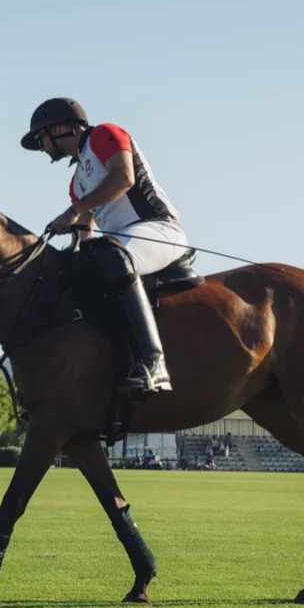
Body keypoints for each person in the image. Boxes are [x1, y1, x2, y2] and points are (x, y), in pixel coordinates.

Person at [22, 97, 188, 395]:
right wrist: (73, 252)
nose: (42, 146)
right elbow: (86, 229)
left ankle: (155, 364)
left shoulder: (104, 135)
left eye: (41, 138)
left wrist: (72, 212)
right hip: (121, 243)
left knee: (111, 254)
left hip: (159, 230)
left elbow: (124, 177)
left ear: (59, 129)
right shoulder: (76, 183)